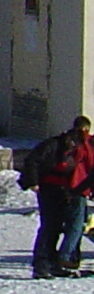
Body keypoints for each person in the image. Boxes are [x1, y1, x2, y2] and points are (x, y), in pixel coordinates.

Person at [27, 117, 94, 279]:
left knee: (55, 227)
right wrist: (33, 182)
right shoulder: (61, 145)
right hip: (56, 189)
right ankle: (42, 265)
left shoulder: (63, 143)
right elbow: (33, 161)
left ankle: (53, 263)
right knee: (51, 227)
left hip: (63, 189)